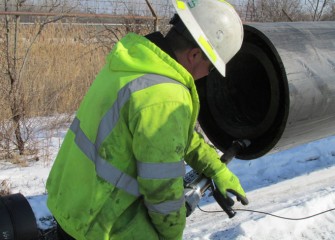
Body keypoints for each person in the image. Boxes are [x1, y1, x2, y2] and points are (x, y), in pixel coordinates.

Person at [46, 0, 248, 239]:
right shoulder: (166, 95)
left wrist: (216, 169)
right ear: (194, 54)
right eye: (212, 67)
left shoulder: (134, 63)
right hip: (98, 226)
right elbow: (162, 192)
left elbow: (175, 136)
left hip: (70, 204)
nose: (207, 75)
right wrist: (172, 234)